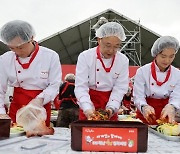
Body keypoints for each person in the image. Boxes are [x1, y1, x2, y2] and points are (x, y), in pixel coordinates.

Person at [0, 20, 62, 126]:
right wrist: (1, 113)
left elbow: (54, 86)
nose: (17, 52)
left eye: (20, 47)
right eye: (12, 48)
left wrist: (38, 101)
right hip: (16, 108)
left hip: (40, 108)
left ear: (31, 38)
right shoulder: (5, 59)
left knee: (39, 139)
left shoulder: (50, 56)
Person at [75, 22, 129, 120]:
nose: (111, 50)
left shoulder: (123, 60)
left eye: (116, 46)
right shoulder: (85, 57)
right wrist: (87, 108)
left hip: (111, 101)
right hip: (88, 101)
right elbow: (81, 86)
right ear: (99, 40)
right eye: (108, 45)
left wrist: (111, 108)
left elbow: (120, 87)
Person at [133, 36, 180, 125]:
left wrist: (172, 106)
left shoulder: (177, 74)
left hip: (167, 117)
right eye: (163, 56)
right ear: (156, 54)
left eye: (171, 57)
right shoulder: (142, 71)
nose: (167, 60)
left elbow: (177, 96)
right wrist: (144, 107)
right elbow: (138, 96)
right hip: (145, 117)